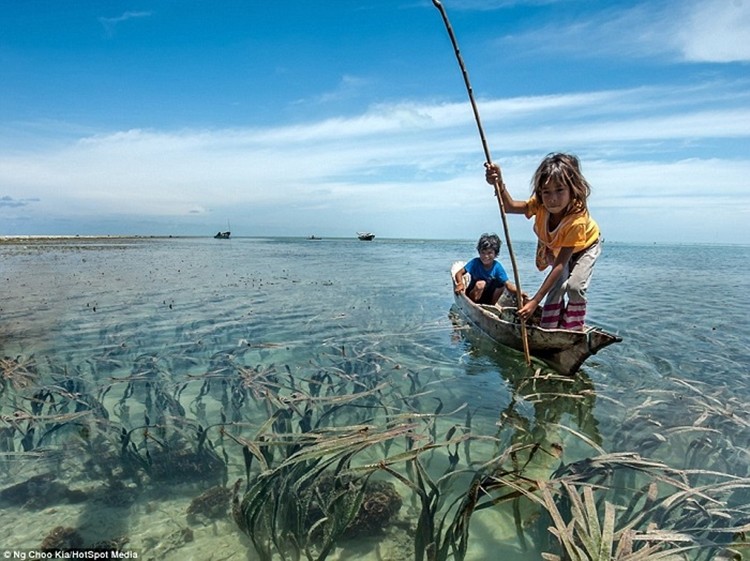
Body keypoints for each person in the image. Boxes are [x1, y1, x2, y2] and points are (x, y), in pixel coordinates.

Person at [485, 153, 600, 330]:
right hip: (558, 246)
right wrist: (498, 183)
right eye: (547, 192)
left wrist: (535, 300)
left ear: (572, 189)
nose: (553, 198)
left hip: (585, 247)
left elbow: (560, 265)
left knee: (575, 287)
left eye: (560, 190)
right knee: (556, 287)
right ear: (540, 192)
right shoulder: (540, 204)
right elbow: (508, 207)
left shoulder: (576, 220)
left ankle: (573, 329)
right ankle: (549, 327)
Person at [453, 233, 521, 305]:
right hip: (473, 295)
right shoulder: (475, 263)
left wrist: (519, 292)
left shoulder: (497, 267)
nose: (486, 256)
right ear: (479, 252)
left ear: (495, 254)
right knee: (481, 284)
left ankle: (492, 305)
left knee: (501, 284)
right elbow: (459, 273)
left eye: (490, 253)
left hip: (488, 296)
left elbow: (507, 284)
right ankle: (473, 304)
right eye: (483, 252)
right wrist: (460, 283)